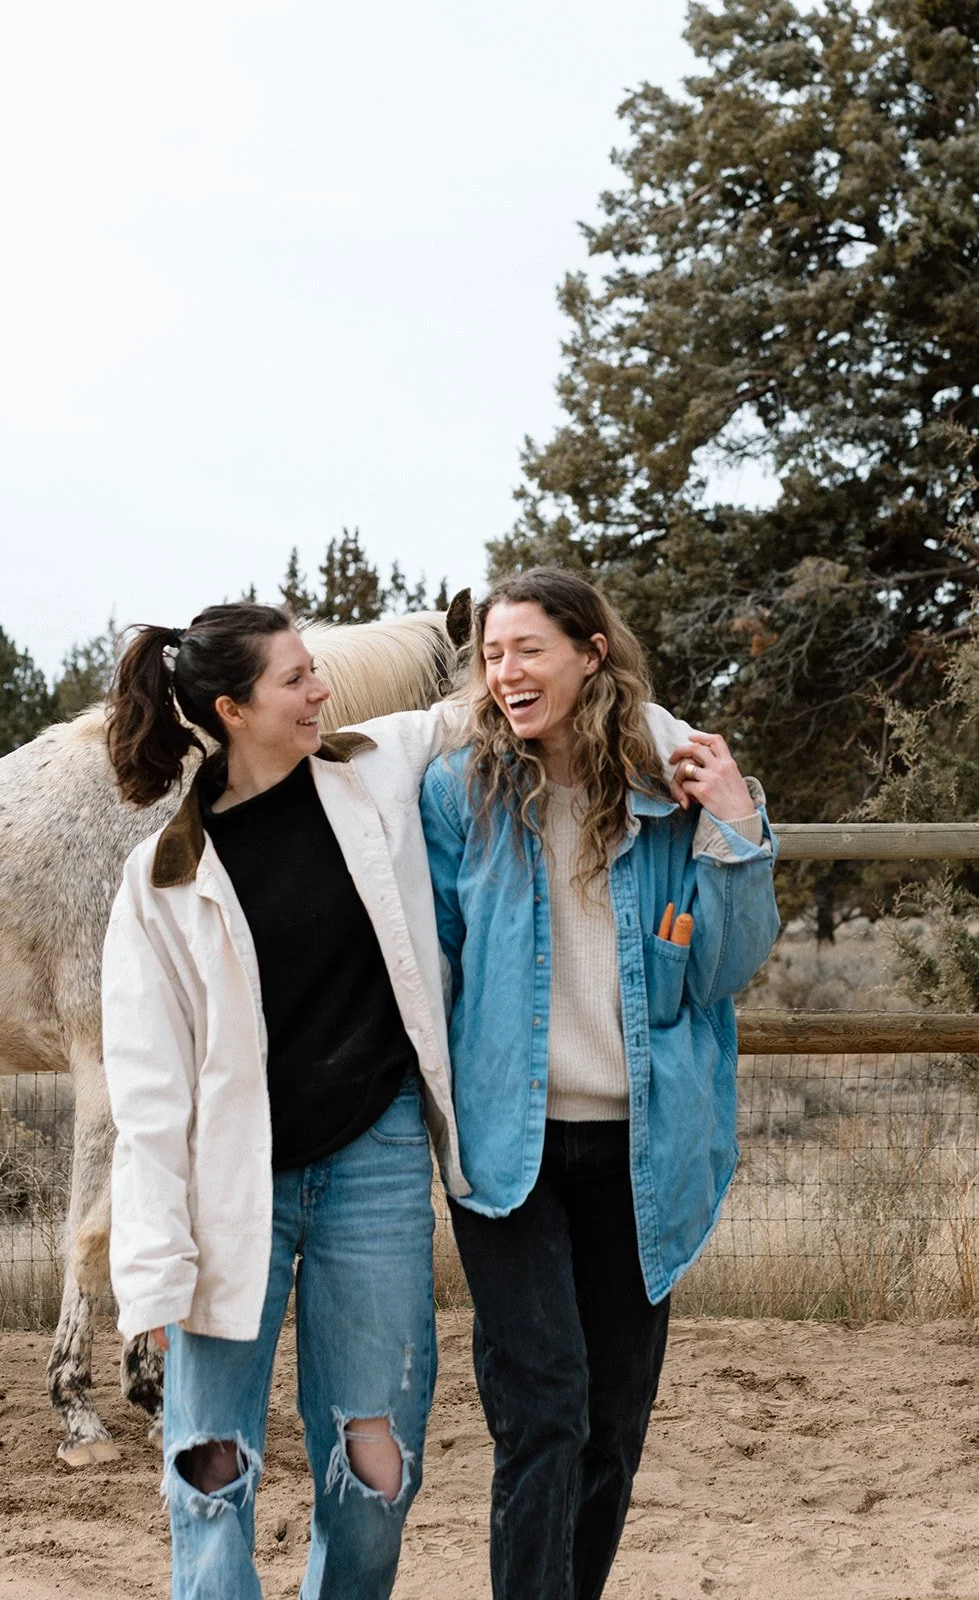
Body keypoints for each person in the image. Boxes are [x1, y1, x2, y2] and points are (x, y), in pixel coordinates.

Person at [419, 568, 780, 1600]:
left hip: (640, 1152)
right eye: (491, 655)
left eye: (526, 648)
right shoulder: (461, 793)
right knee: (544, 1410)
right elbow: (434, 961)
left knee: (612, 1424)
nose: (505, 671)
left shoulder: (670, 800)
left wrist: (734, 829)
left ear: (588, 651)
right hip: (506, 1149)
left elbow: (719, 969)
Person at [100, 602, 469, 1600]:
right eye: (297, 678)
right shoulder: (162, 880)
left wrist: (699, 760)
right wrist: (157, 1274)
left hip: (373, 1162)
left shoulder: (372, 770)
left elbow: (500, 704)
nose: (322, 690)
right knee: (209, 1467)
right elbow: (146, 1096)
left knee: (377, 1460)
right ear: (232, 707)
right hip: (230, 1199)